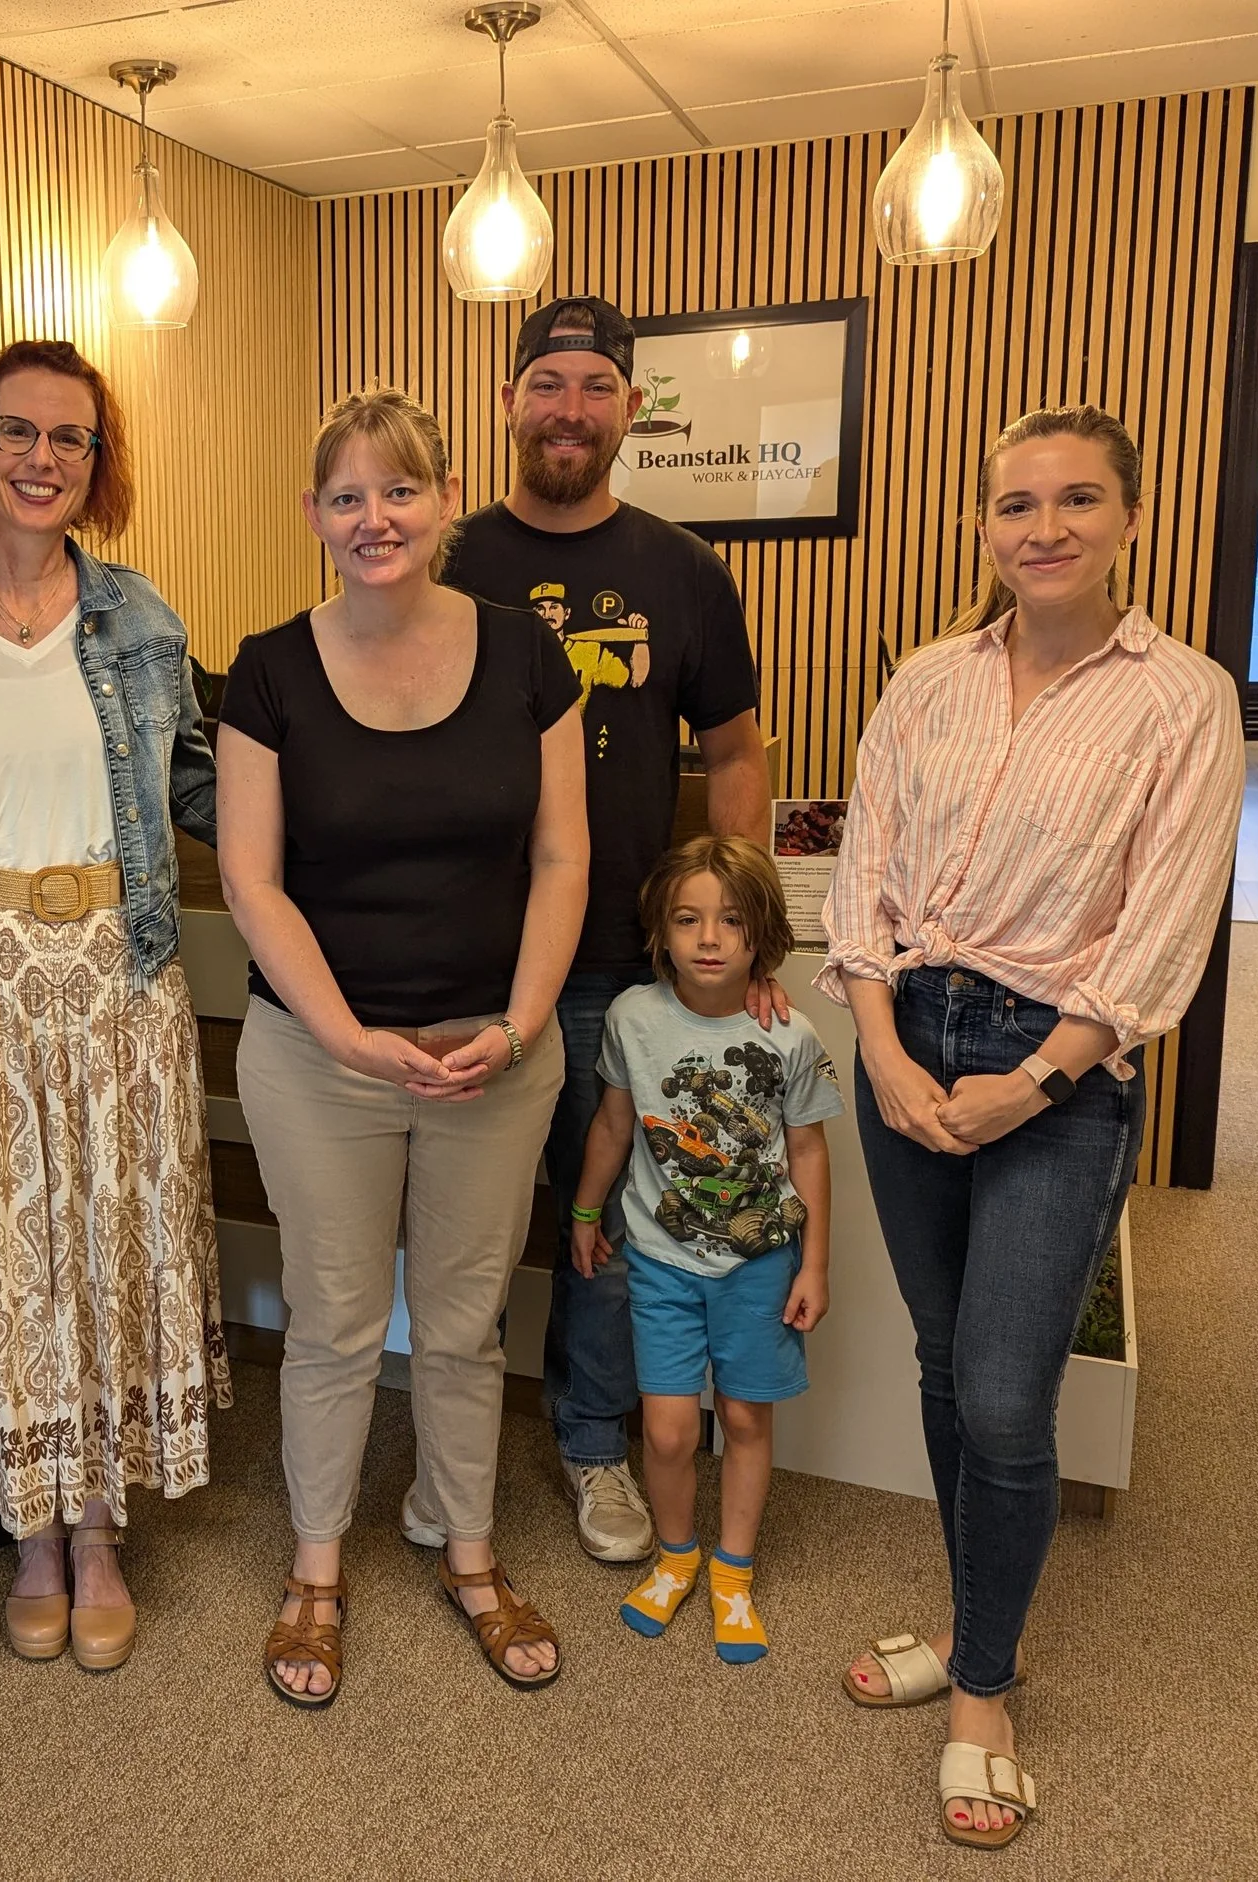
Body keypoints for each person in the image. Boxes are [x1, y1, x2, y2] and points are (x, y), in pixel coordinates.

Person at [820, 406, 1242, 1850]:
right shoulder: (928, 679)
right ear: (983, 524)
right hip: (907, 1040)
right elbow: (865, 870)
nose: (1043, 528)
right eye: (1016, 504)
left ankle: (983, 1690)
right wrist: (880, 1047)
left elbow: (1164, 930)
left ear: (1130, 517)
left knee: (1005, 1395)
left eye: (1076, 500)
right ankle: (972, 1622)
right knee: (944, 1359)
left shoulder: (1183, 697)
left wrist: (1034, 1082)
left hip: (1059, 1063)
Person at [218, 387, 589, 1706]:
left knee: (464, 1319)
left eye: (399, 489)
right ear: (313, 515)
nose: (373, 516)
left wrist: (522, 1023)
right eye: (346, 495)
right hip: (321, 1058)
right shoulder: (267, 667)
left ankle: (468, 1551)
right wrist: (351, 1037)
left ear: (444, 503)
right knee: (331, 1319)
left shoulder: (527, 653)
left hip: (497, 1051)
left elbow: (562, 855)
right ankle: (315, 1569)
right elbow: (252, 880)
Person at [0, 338, 229, 1673]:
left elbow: (195, 782)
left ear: (96, 460)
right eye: (15, 431)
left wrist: (340, 807)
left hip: (117, 977)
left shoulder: (140, 616)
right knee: (10, 1257)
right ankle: (31, 1534)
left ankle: (99, 1530)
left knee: (109, 1245)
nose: (40, 457)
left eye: (68, 437)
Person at [442, 294, 774, 1569]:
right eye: (547, 384)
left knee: (611, 1231)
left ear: (631, 408)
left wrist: (742, 934)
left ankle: (591, 1443)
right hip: (469, 966)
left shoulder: (683, 572)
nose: (569, 409)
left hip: (621, 975)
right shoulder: (445, 557)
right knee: (469, 1232)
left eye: (594, 387)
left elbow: (733, 753)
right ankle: (457, 1456)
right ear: (510, 402)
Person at [569, 835, 838, 1665]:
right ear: (661, 931)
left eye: (731, 921)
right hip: (661, 1263)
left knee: (747, 1418)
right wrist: (585, 1210)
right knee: (668, 1430)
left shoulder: (790, 1035)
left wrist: (815, 1264)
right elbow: (614, 1123)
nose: (710, 939)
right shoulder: (631, 1018)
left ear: (763, 935)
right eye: (688, 920)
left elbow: (809, 1152)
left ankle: (733, 1571)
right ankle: (677, 1556)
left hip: (761, 1267)